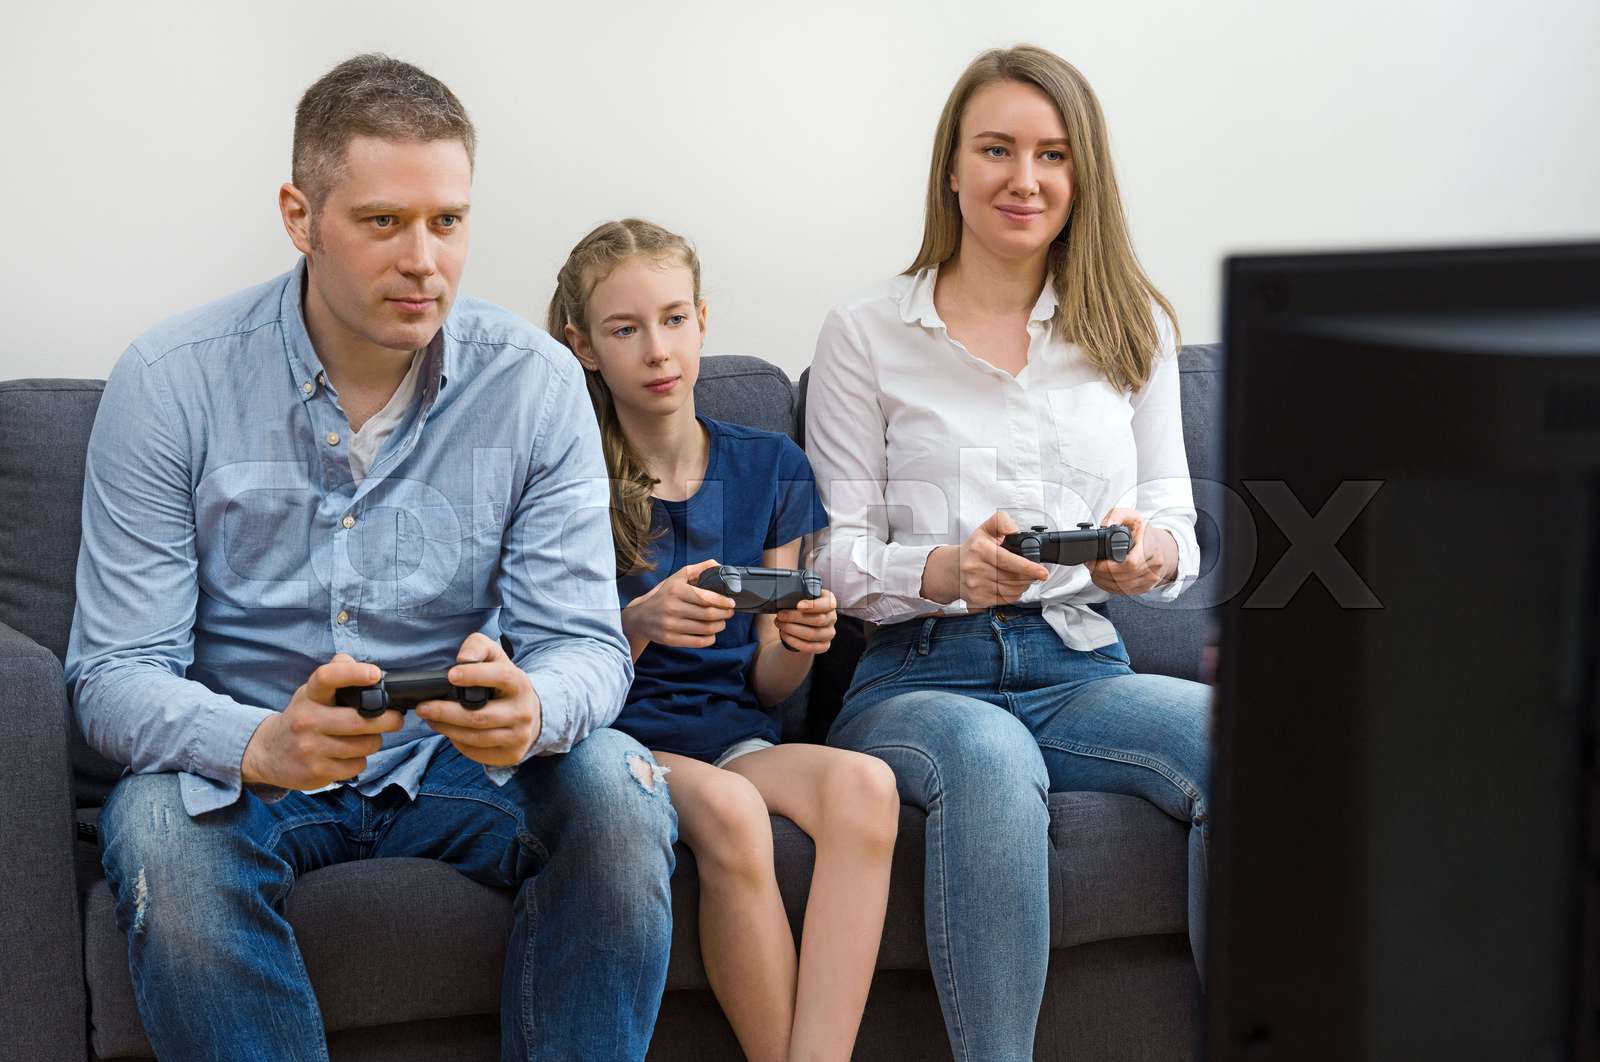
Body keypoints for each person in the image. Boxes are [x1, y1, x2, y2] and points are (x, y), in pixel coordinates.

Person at [65, 55, 675, 1062]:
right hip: (251, 766)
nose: (424, 261)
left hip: (457, 769)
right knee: (161, 833)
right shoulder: (170, 383)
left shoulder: (535, 385)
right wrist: (262, 745)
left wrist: (536, 708)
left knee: (618, 782)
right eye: (383, 222)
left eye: (448, 222)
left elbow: (585, 648)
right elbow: (113, 674)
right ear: (300, 216)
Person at [802, 44, 1211, 1061]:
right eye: (995, 149)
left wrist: (1141, 555)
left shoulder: (1133, 327)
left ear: (1082, 177)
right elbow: (832, 557)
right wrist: (947, 571)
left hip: (1079, 664)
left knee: (1245, 742)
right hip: (915, 679)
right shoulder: (864, 334)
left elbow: (1176, 520)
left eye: (1051, 155)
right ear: (952, 168)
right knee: (988, 759)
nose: (1023, 179)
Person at [548, 218, 901, 1062]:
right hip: (618, 751)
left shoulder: (770, 466)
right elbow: (547, 674)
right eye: (625, 330)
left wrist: (800, 640)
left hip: (736, 739)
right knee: (736, 812)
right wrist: (638, 624)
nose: (656, 349)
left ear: (703, 319)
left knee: (868, 788)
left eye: (673, 319)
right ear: (585, 347)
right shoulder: (567, 479)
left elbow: (773, 688)